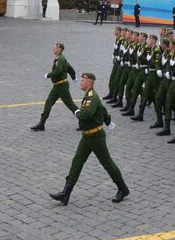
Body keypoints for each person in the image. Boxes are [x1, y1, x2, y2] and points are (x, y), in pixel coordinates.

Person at [48, 72, 129, 205]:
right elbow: (102, 109)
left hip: (96, 137)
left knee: (107, 163)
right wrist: (108, 121)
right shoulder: (89, 96)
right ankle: (65, 193)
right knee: (77, 162)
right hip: (87, 136)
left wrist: (76, 111)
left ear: (89, 83)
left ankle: (123, 188)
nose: (80, 82)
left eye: (83, 80)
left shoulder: (93, 97)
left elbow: (87, 114)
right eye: (80, 80)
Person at [29, 42, 77, 131]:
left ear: (60, 49)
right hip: (57, 86)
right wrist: (74, 78)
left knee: (70, 105)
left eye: (55, 48)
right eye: (54, 47)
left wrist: (48, 75)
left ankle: (84, 121)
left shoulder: (61, 59)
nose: (54, 49)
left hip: (62, 86)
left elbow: (58, 70)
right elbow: (70, 68)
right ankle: (41, 124)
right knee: (48, 103)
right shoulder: (60, 58)